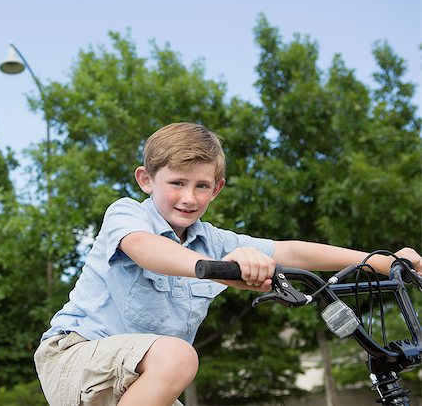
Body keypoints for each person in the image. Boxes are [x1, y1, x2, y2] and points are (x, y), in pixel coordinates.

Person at [34, 122, 421, 406]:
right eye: (177, 183)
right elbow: (145, 249)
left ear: (216, 188)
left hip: (145, 382)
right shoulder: (127, 215)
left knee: (173, 359)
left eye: (201, 186)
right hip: (79, 358)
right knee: (178, 355)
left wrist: (385, 263)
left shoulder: (217, 240)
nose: (189, 197)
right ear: (146, 180)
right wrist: (221, 268)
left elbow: (293, 252)